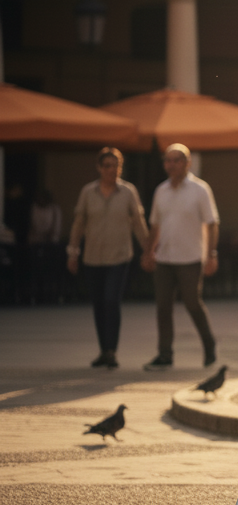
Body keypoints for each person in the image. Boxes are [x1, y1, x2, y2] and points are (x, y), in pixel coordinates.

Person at [67, 148, 149, 368]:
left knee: (111, 301)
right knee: (98, 305)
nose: (112, 170)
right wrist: (72, 251)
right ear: (99, 168)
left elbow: (138, 224)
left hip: (119, 256)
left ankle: (112, 351)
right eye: (107, 166)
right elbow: (78, 223)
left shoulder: (128, 192)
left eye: (116, 166)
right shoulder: (88, 192)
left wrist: (148, 249)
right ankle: (103, 350)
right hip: (92, 257)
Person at [141, 143, 219, 369]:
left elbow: (212, 223)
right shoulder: (161, 191)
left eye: (176, 160)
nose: (171, 164)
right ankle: (165, 354)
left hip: (191, 258)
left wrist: (211, 254)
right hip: (165, 258)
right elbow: (155, 225)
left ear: (187, 163)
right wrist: (148, 252)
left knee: (193, 303)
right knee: (163, 307)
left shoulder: (200, 189)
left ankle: (209, 344)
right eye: (168, 160)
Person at [27, 188, 63, 303]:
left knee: (50, 270)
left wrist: (49, 237)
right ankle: (35, 294)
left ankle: (52, 295)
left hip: (51, 245)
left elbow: (56, 228)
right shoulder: (33, 208)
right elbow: (32, 227)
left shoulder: (54, 209)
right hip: (35, 243)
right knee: (35, 270)